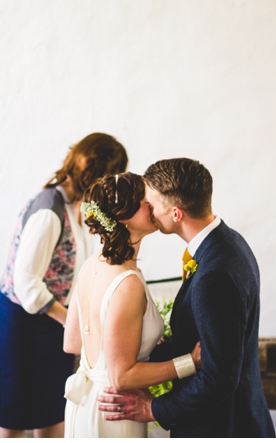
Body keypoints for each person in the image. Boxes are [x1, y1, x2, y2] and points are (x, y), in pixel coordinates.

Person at [98, 158, 276, 438]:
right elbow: (209, 340)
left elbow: (219, 378)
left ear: (176, 214)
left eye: (151, 204)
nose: (149, 211)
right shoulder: (230, 242)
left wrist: (155, 409)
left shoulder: (214, 275)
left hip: (219, 427)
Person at [0, 133, 128, 438]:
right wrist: (72, 322)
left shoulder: (73, 205)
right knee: (13, 418)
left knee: (51, 413)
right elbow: (25, 282)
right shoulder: (49, 209)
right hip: (20, 324)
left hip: (51, 324)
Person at [63, 172, 201, 438]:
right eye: (144, 201)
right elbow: (122, 377)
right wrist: (189, 363)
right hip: (115, 411)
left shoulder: (91, 265)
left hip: (83, 405)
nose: (151, 205)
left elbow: (72, 343)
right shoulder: (127, 283)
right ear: (124, 217)